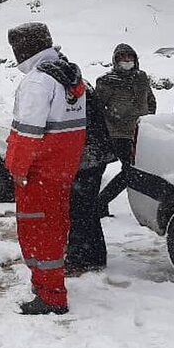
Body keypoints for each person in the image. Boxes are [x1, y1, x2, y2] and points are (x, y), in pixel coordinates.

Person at [4, 22, 86, 315]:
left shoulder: (38, 81)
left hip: (37, 173)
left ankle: (50, 295)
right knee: (54, 228)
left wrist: (15, 168)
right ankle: (48, 284)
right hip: (61, 171)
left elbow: (27, 134)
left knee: (36, 233)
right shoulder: (69, 75)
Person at [95, 44, 156, 218]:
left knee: (134, 170)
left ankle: (102, 202)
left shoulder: (141, 78)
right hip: (118, 134)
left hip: (140, 131)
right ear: (116, 60)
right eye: (123, 58)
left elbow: (150, 100)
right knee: (130, 171)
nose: (127, 61)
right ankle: (100, 202)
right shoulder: (107, 81)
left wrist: (148, 117)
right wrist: (113, 121)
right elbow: (99, 107)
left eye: (130, 57)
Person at [66, 80, 116, 274]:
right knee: (87, 208)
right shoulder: (78, 84)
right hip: (94, 154)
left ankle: (79, 258)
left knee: (79, 209)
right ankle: (95, 255)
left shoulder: (70, 89)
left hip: (86, 156)